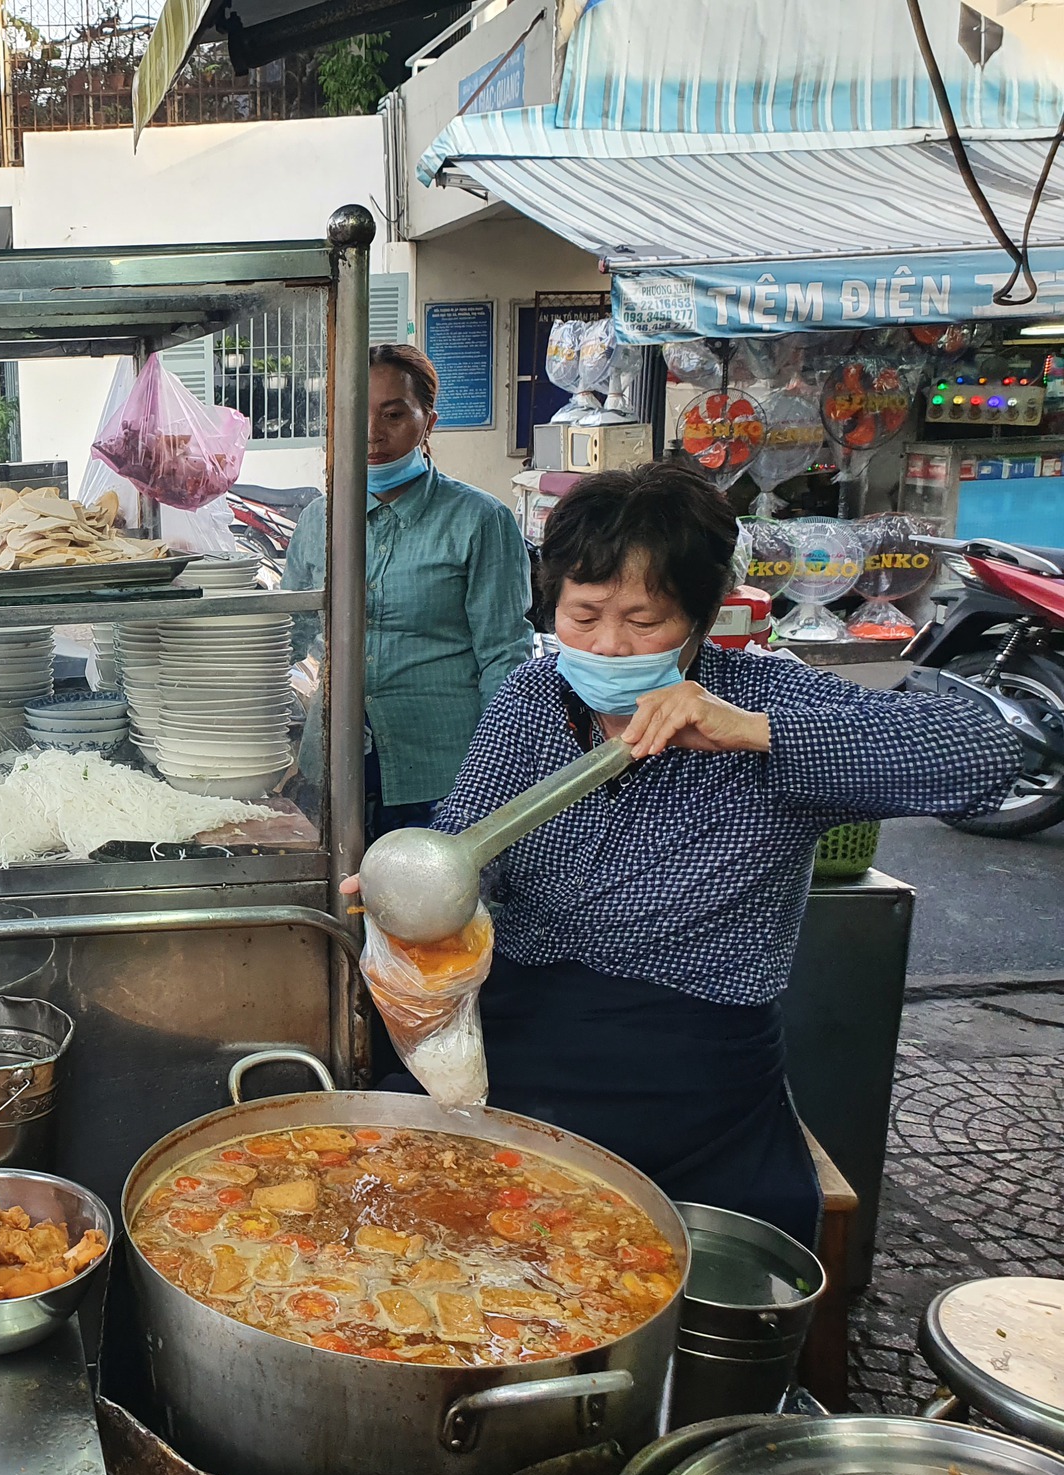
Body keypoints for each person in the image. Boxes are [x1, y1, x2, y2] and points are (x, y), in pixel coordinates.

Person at [352, 464, 1018, 1246]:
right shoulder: (533, 698)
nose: (607, 644)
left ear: (701, 619)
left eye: (643, 620)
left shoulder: (767, 700)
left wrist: (755, 731)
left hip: (689, 1063)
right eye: (584, 614)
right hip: (517, 1030)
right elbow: (473, 837)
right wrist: (426, 880)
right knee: (406, 1197)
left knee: (609, 1248)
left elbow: (986, 754)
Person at [283, 344, 533, 837]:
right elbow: (289, 634)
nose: (373, 433)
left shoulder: (479, 520)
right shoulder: (319, 520)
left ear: (428, 422)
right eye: (356, 415)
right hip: (334, 760)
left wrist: (499, 768)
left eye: (394, 414)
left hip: (443, 769)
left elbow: (504, 655)